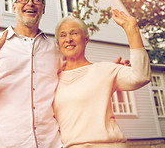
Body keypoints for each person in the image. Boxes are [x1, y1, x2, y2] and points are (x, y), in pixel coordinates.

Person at [0, 0, 63, 147]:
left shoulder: (55, 49)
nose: (30, 3)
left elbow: (74, 79)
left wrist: (104, 71)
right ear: (14, 7)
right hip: (5, 142)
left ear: (43, 8)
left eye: (36, 0)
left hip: (51, 143)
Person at [53, 10, 151, 147]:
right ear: (58, 43)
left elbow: (141, 76)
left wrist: (131, 29)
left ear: (86, 39)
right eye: (63, 35)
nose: (68, 39)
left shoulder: (105, 70)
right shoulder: (52, 80)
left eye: (74, 33)